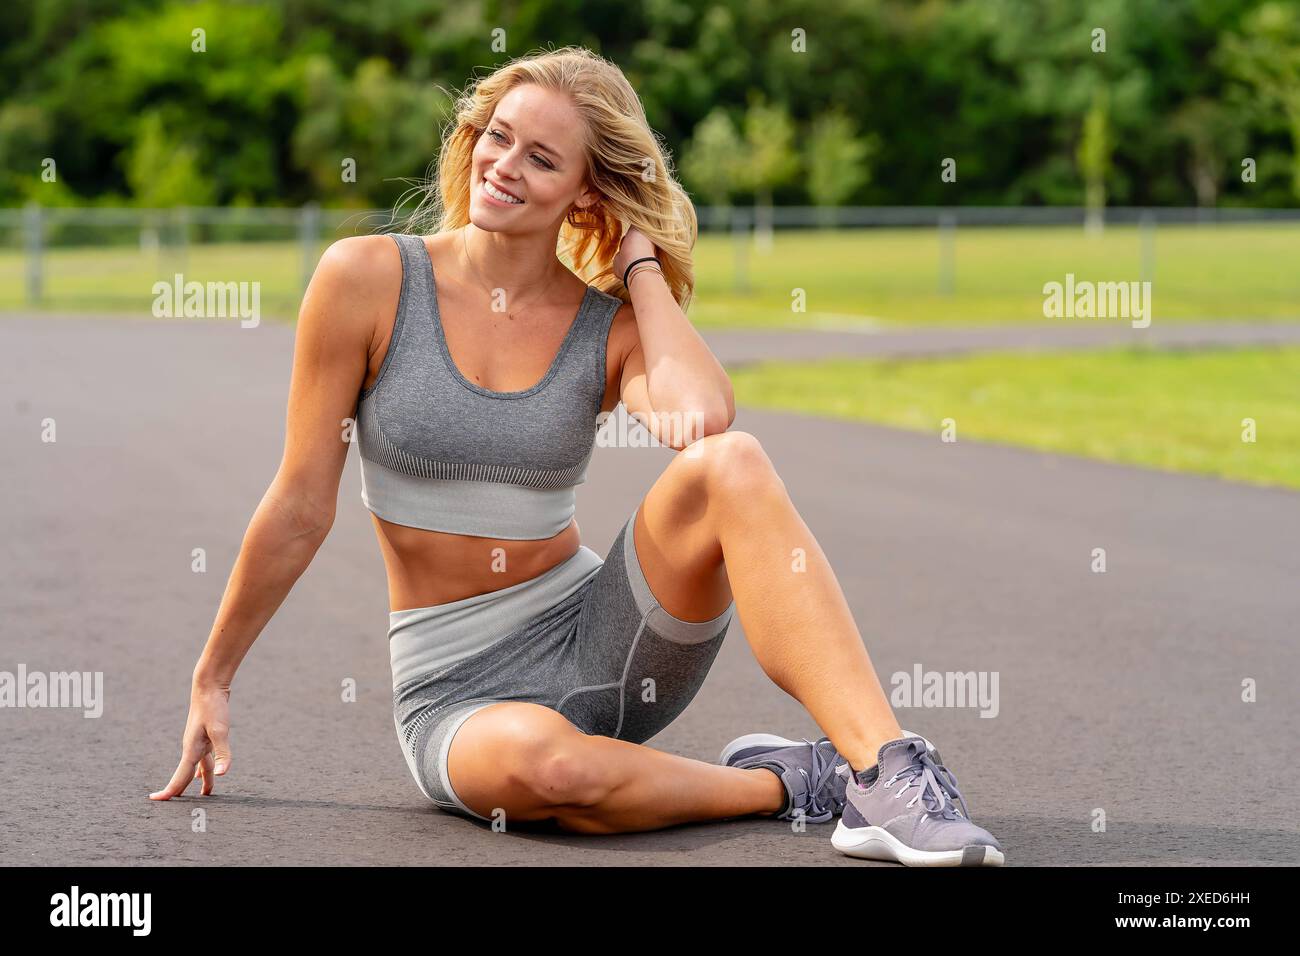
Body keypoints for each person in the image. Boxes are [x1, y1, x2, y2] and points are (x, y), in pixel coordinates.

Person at [149, 46, 1004, 867]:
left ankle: (887, 770)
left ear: (586, 191)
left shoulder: (607, 324)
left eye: (543, 159)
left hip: (602, 645)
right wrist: (212, 676)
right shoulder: (367, 280)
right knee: (555, 775)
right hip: (456, 691)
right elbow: (302, 503)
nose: (504, 166)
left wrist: (638, 265)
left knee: (733, 465)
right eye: (497, 136)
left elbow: (700, 419)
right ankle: (795, 781)